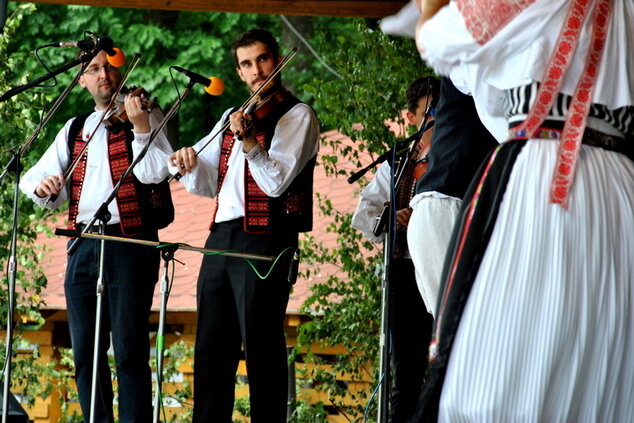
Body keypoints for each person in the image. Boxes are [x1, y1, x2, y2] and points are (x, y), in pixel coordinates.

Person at [412, 0, 634, 421]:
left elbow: (438, 42)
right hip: (622, 181)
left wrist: (429, 8)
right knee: (604, 355)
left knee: (512, 355)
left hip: (549, 173)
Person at [132, 28, 320, 422]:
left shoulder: (298, 115)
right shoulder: (229, 116)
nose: (257, 70)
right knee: (211, 350)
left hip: (266, 239)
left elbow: (275, 183)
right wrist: (187, 162)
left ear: (277, 61)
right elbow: (207, 184)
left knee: (261, 348)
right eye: (247, 64)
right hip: (221, 237)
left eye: (264, 59)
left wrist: (251, 143)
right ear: (238, 72)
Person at [20, 49, 173, 422]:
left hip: (129, 243)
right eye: (93, 69)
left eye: (108, 67)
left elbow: (158, 171)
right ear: (82, 81)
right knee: (85, 352)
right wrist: (45, 187)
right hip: (83, 242)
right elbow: (30, 180)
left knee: (128, 350)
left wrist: (140, 127)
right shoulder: (75, 128)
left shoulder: (144, 114)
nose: (103, 74)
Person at [351, 77, 437, 422]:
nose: (437, 117)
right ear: (411, 117)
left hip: (443, 269)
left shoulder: (457, 154)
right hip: (404, 269)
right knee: (407, 371)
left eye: (441, 109)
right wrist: (390, 217)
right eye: (428, 110)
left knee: (448, 363)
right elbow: (363, 213)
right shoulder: (398, 159)